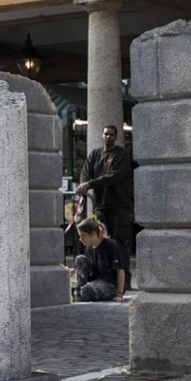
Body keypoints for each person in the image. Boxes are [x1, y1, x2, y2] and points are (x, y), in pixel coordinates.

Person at [76, 124, 133, 278]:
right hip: (100, 206)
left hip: (119, 206)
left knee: (119, 243)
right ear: (102, 135)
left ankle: (124, 279)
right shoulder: (95, 154)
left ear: (116, 137)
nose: (108, 137)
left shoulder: (121, 154)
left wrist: (90, 184)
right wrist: (84, 184)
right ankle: (105, 276)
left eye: (111, 135)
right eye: (106, 134)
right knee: (101, 241)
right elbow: (85, 173)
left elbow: (113, 176)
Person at [73, 217, 126, 302]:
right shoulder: (89, 248)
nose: (81, 239)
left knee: (87, 290)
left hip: (110, 284)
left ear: (93, 234)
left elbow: (120, 271)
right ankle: (79, 291)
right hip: (95, 281)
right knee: (80, 259)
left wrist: (119, 293)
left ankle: (83, 292)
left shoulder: (111, 245)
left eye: (83, 236)